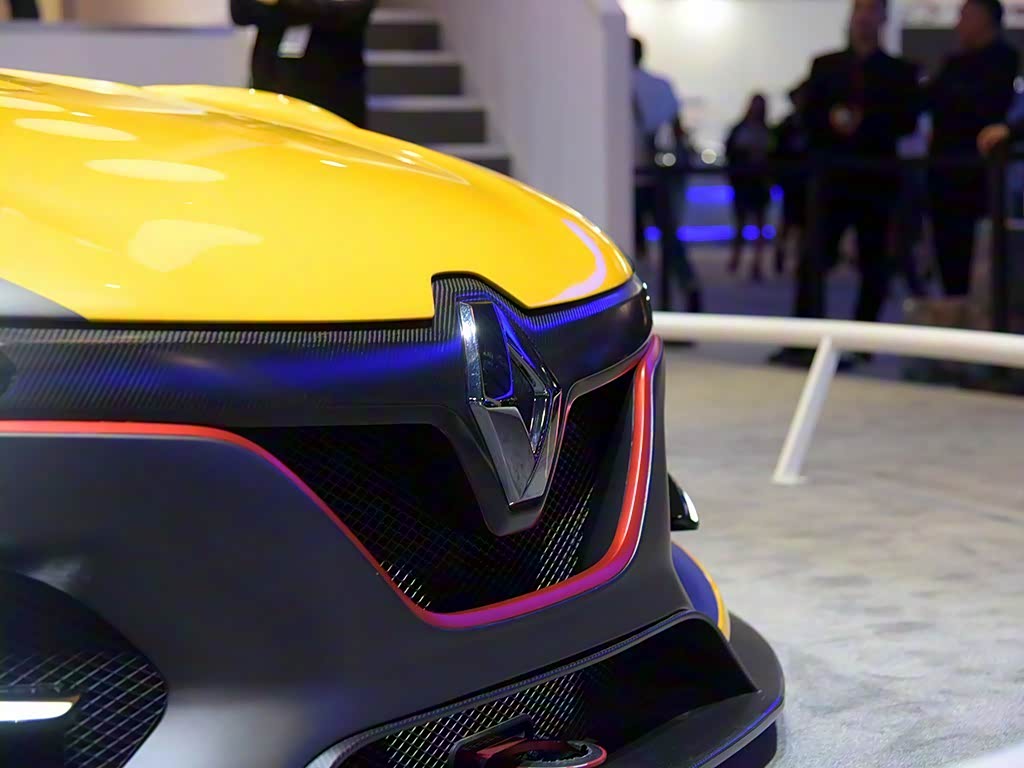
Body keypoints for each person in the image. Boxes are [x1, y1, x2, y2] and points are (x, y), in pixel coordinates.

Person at [772, 0, 920, 367]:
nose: (864, 20)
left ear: (883, 19)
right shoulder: (827, 66)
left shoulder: (898, 72)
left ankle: (862, 340)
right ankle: (803, 339)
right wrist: (832, 123)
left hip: (875, 178)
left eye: (871, 12)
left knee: (874, 262)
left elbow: (906, 121)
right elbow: (808, 116)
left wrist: (864, 124)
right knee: (814, 258)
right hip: (831, 178)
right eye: (859, 12)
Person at [927, 0, 1018, 298]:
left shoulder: (1003, 59)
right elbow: (933, 101)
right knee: (947, 250)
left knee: (978, 253)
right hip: (944, 171)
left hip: (977, 174)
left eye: (966, 16)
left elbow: (976, 105)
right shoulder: (953, 63)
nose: (959, 24)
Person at [632, 37, 702, 313]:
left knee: (624, 245)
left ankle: (633, 302)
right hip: (657, 175)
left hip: (630, 176)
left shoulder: (614, 83)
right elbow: (675, 128)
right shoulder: (660, 86)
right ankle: (688, 286)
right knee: (670, 238)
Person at [231, 0, 377, 127]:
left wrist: (281, 4)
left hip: (330, 90)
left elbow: (346, 11)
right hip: (271, 83)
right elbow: (241, 11)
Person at [726, 93, 774, 281]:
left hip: (758, 182)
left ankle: (754, 262)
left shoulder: (760, 131)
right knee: (742, 223)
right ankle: (738, 258)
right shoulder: (745, 130)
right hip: (746, 182)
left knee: (757, 223)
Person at [772, 82, 811, 276]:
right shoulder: (787, 126)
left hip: (804, 181)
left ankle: (798, 260)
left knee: (802, 224)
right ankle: (781, 251)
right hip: (792, 181)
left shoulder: (809, 126)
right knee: (789, 222)